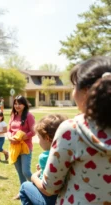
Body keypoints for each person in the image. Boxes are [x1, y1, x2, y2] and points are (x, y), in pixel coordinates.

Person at [41, 57, 111, 205]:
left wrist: (35, 177)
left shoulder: (72, 130)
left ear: (86, 91)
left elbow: (50, 188)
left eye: (74, 87)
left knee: (26, 188)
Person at [19, 114, 67, 205]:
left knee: (24, 187)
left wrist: (34, 177)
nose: (39, 142)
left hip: (51, 199)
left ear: (47, 138)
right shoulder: (68, 153)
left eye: (39, 138)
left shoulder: (45, 156)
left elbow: (46, 189)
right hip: (65, 196)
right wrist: (42, 170)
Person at [8, 95, 35, 200]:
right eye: (15, 103)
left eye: (20, 103)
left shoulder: (29, 116)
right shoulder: (13, 116)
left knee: (26, 171)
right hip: (14, 147)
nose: (17, 106)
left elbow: (34, 131)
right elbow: (9, 130)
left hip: (25, 147)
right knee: (20, 172)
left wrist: (23, 137)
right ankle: (23, 192)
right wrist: (9, 137)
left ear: (24, 105)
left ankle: (39, 187)